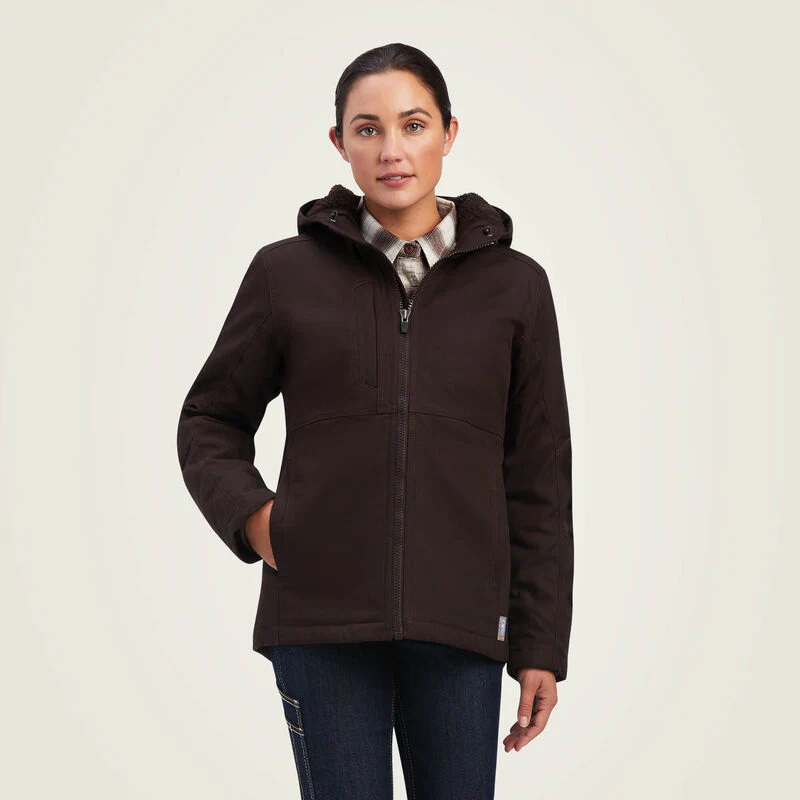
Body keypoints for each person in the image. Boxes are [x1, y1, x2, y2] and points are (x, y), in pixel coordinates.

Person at [177, 42, 574, 800]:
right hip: (321, 623)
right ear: (340, 143)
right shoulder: (284, 273)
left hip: (461, 624)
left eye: (413, 125)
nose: (392, 150)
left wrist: (540, 645)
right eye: (368, 129)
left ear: (449, 133)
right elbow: (208, 420)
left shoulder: (516, 287)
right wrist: (257, 520)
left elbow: (540, 478)